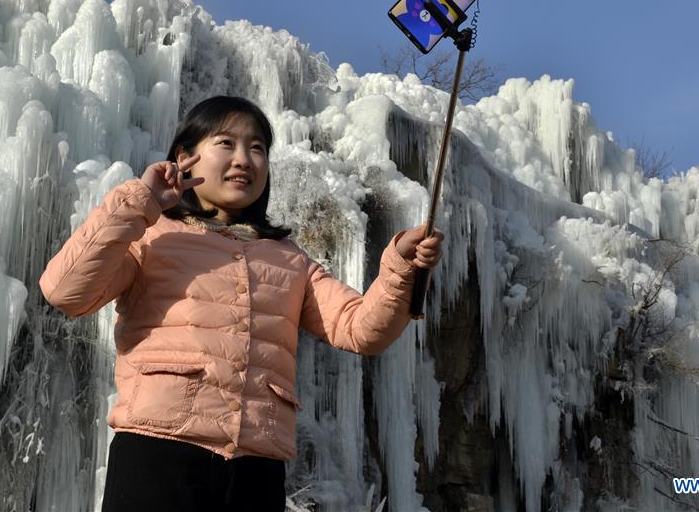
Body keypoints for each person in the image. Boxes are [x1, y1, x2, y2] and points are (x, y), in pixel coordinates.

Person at [39, 95, 445, 512]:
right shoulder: (152, 236)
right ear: (185, 158)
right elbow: (66, 291)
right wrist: (139, 200)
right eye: (226, 143)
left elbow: (360, 329)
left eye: (257, 148)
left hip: (256, 469)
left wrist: (401, 268)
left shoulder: (289, 258)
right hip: (158, 453)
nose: (244, 159)